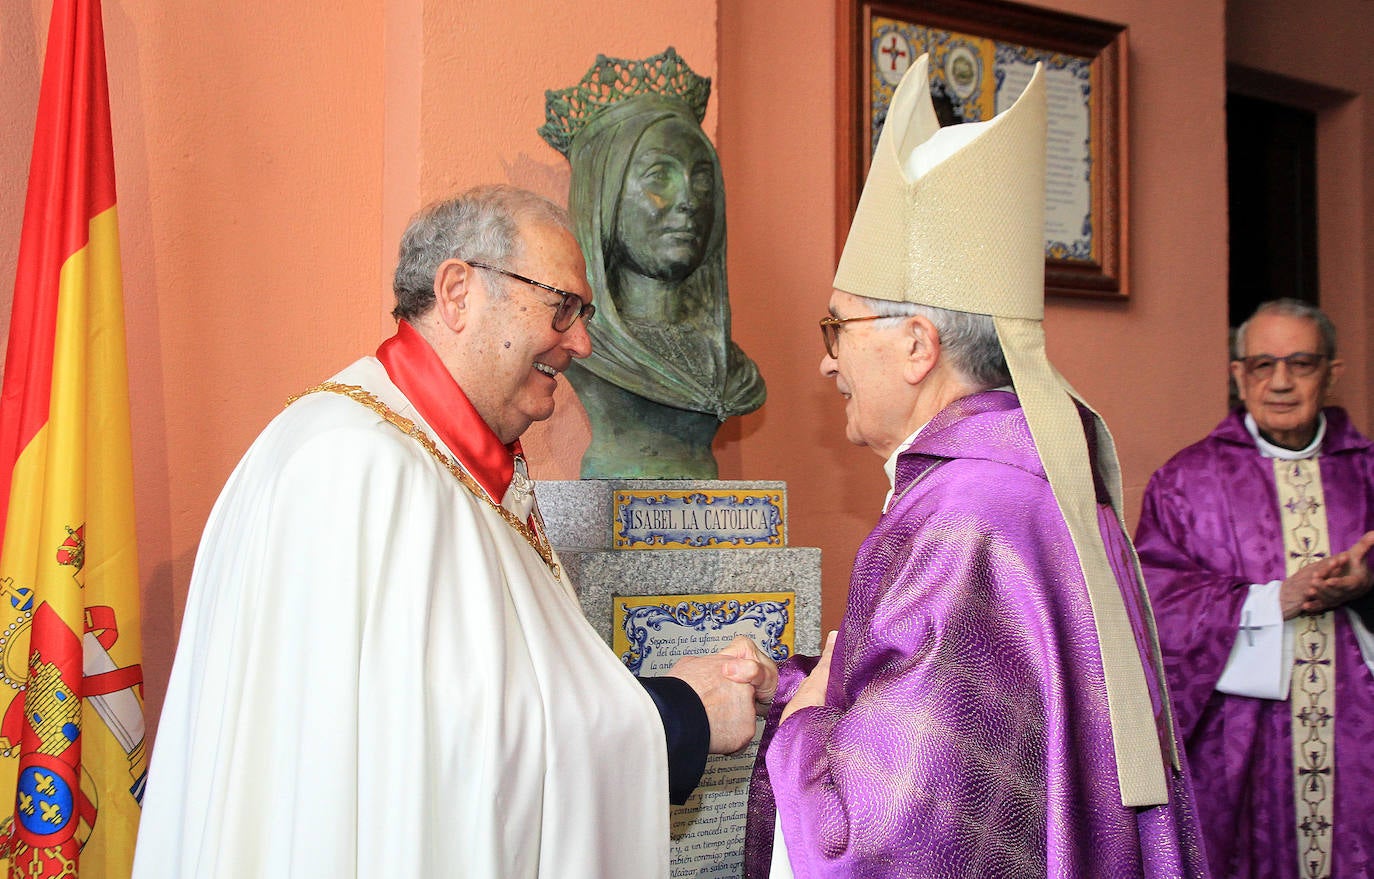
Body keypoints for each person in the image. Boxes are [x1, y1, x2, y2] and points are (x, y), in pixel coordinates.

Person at [131, 185, 777, 879]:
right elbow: (454, 764)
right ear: (458, 291)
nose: (582, 342)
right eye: (563, 306)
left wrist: (669, 697)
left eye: (583, 314)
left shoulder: (435, 464)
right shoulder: (366, 470)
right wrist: (680, 714)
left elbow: (485, 717)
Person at [742, 55, 1208, 878]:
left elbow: (883, 828)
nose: (826, 363)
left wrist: (805, 723)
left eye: (836, 330)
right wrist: (801, 681)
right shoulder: (1023, 478)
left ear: (917, 345)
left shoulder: (965, 514)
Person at [1135, 298, 1374, 879]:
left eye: (1302, 363)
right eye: (1263, 365)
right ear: (1238, 374)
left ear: (1332, 373)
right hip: (1240, 739)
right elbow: (1153, 603)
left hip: (1358, 733)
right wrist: (1272, 601)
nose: (1282, 382)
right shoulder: (1187, 481)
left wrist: (1369, 587)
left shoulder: (1367, 472)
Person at [539, 48, 766, 478]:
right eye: (659, 176)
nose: (689, 201)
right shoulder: (588, 351)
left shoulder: (732, 371)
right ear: (603, 200)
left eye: (701, 179)